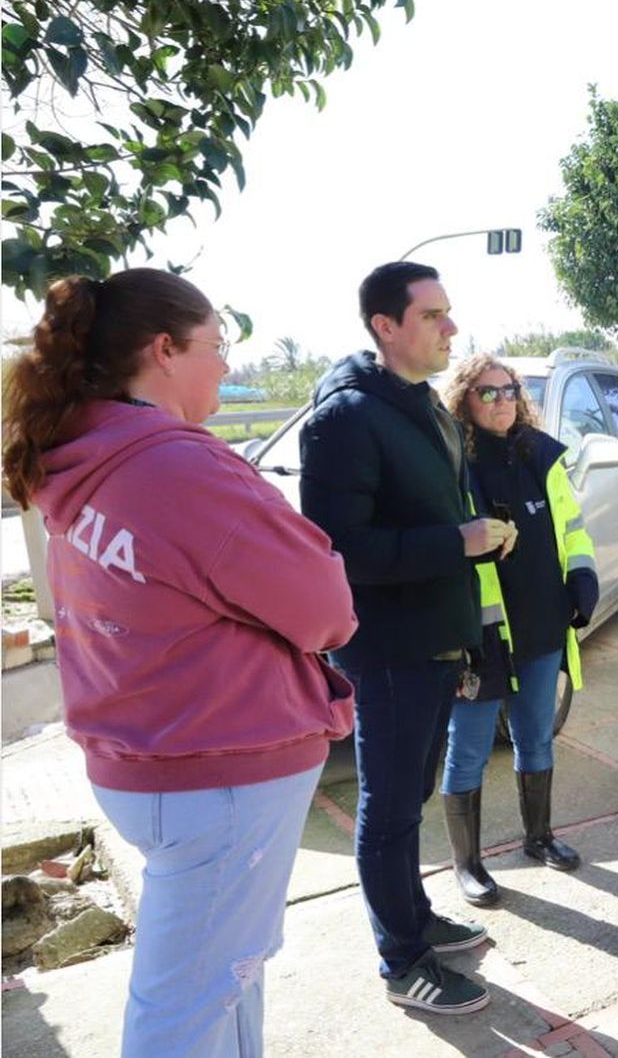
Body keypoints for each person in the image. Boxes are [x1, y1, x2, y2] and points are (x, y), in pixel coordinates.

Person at [0, 269, 357, 1057]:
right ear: (164, 350)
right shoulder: (177, 467)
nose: (227, 366)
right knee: (186, 1007)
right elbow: (328, 610)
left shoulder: (79, 456)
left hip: (149, 760)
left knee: (224, 978)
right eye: (216, 346)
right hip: (218, 772)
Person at [299, 262, 516, 1015]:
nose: (450, 329)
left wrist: (471, 550)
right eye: (432, 316)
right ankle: (400, 962)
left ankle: (415, 919)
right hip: (388, 651)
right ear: (385, 326)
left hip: (434, 642)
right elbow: (340, 549)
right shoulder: (346, 418)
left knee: (409, 800)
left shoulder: (421, 405)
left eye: (448, 313)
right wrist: (456, 542)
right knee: (387, 809)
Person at [435, 354, 599, 905]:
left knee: (535, 736)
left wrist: (581, 576)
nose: (502, 400)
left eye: (508, 391)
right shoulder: (452, 465)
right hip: (481, 636)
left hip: (542, 627)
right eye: (487, 392)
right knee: (470, 749)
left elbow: (573, 528)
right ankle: (469, 864)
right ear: (464, 399)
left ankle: (540, 838)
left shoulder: (541, 457)